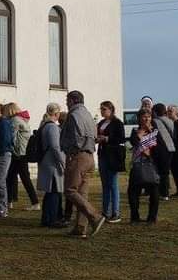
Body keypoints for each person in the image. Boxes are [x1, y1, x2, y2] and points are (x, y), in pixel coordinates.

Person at [59, 90, 106, 238]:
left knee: (70, 190)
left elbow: (76, 137)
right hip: (89, 156)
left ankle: (95, 216)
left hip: (78, 156)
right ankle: (80, 228)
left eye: (67, 100)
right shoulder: (87, 114)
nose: (66, 103)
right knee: (82, 193)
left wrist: (70, 152)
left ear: (72, 100)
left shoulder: (73, 115)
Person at [128, 109, 161, 224]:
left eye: (149, 117)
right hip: (137, 164)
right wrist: (142, 132)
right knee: (133, 192)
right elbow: (133, 142)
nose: (147, 119)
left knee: (154, 192)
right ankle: (134, 217)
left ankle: (152, 217)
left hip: (152, 164)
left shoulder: (156, 132)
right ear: (139, 118)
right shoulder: (135, 131)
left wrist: (150, 152)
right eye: (144, 117)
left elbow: (160, 148)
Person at [36, 104, 66, 228]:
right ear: (57, 113)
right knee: (54, 192)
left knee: (51, 192)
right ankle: (52, 219)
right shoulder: (52, 127)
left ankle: (47, 218)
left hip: (46, 162)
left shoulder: (44, 125)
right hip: (52, 164)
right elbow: (55, 146)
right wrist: (62, 161)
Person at [96, 101, 125, 222]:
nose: (102, 111)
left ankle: (115, 212)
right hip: (102, 154)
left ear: (111, 110)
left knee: (113, 184)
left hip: (113, 155)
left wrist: (107, 138)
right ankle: (105, 212)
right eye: (101, 109)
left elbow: (121, 138)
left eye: (104, 109)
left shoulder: (117, 123)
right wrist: (97, 139)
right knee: (105, 185)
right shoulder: (101, 122)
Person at [6, 105, 39, 210]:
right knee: (19, 178)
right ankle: (10, 201)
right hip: (22, 152)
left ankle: (34, 202)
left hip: (17, 153)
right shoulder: (23, 120)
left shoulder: (15, 120)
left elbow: (11, 137)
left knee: (16, 178)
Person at [151, 102, 176, 200]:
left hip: (161, 149)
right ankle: (165, 193)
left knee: (159, 172)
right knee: (165, 172)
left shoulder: (155, 121)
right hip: (171, 148)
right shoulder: (170, 121)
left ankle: (163, 193)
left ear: (155, 112)